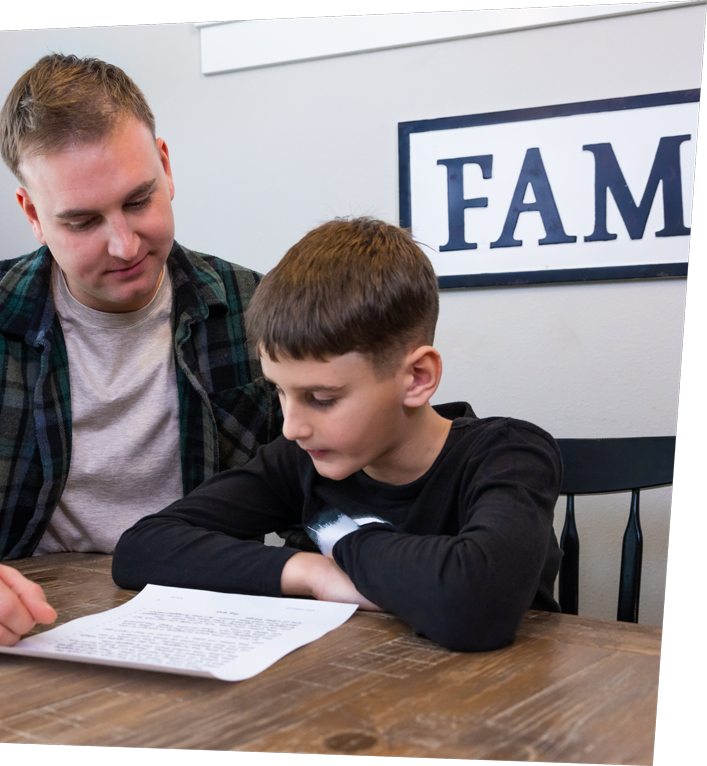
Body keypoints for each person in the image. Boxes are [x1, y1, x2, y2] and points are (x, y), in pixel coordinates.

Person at [0, 54, 281, 653]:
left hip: (216, 624)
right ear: (33, 215)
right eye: (82, 221)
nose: (124, 245)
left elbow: (333, 484)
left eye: (139, 200)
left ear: (166, 168)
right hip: (26, 630)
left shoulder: (258, 308)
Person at [113, 217, 563, 653]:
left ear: (417, 378)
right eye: (281, 393)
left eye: (322, 398)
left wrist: (343, 547)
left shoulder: (510, 455)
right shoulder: (301, 460)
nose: (292, 426)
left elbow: (474, 605)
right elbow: (142, 547)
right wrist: (310, 571)